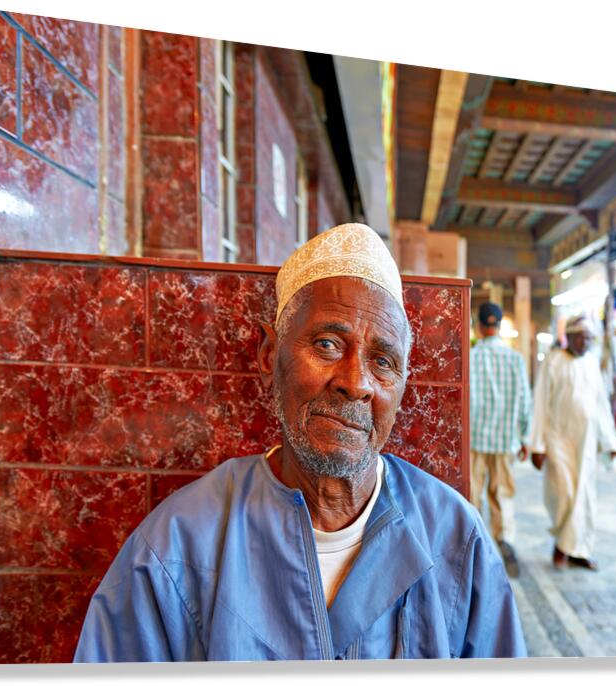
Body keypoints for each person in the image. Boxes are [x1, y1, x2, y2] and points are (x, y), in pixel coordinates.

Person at [73, 223, 527, 662]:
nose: (356, 384)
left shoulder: (454, 537)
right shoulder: (178, 546)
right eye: (328, 344)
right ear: (270, 354)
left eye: (383, 361)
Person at [529, 314, 616, 572]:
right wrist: (537, 445)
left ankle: (578, 550)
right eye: (582, 337)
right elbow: (540, 403)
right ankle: (565, 545)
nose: (587, 343)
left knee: (584, 496)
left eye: (590, 338)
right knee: (564, 493)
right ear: (569, 337)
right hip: (557, 439)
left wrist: (611, 441)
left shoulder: (593, 364)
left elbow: (601, 406)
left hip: (586, 443)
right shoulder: (554, 361)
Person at [469, 302, 532, 579]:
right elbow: (524, 400)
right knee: (502, 493)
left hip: (474, 439)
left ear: (479, 326)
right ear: (498, 327)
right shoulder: (514, 358)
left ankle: (472, 546)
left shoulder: (470, 357)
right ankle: (505, 538)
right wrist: (524, 436)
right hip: (505, 439)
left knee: (472, 494)